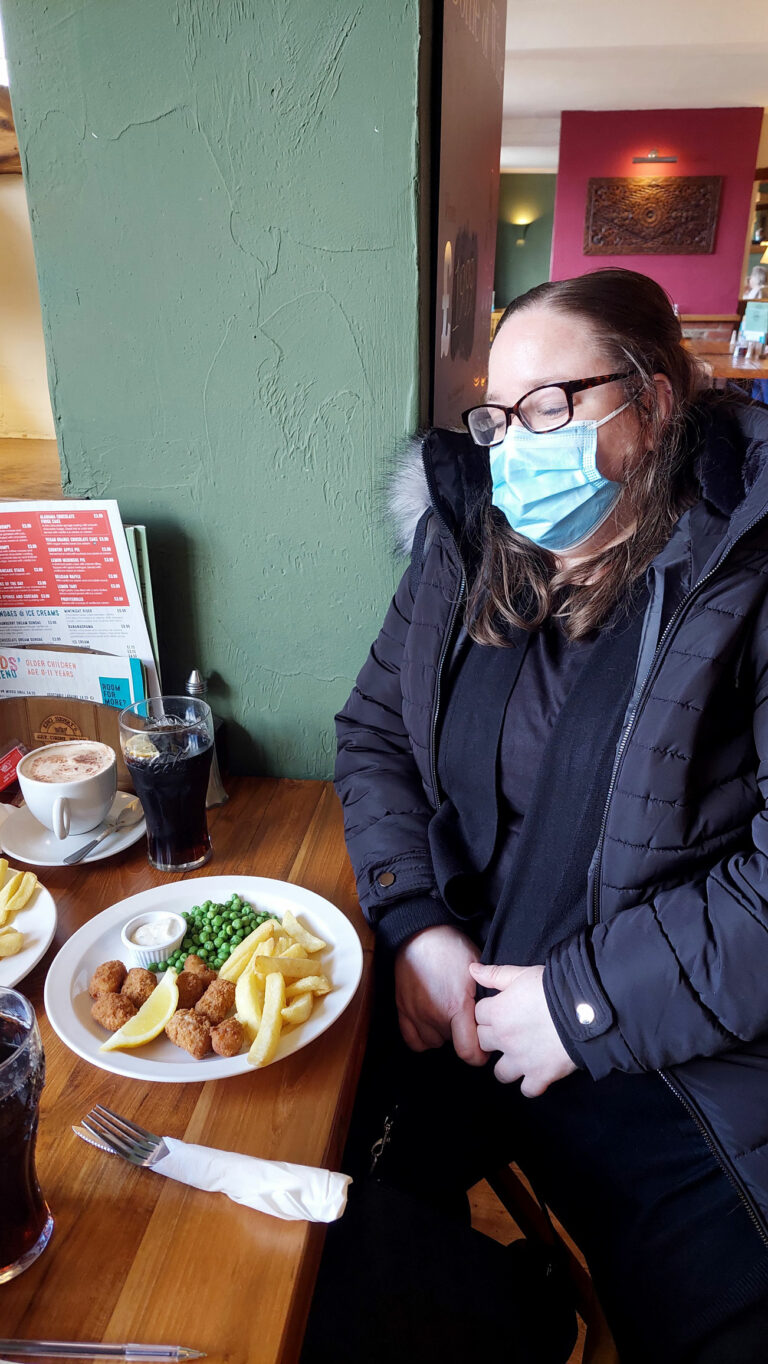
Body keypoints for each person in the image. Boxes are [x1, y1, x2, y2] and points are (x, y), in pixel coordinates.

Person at [320, 268, 768, 1364]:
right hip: (460, 994)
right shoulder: (469, 541)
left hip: (666, 1047)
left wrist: (580, 1006)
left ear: (653, 400)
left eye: (551, 406)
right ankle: (522, 1311)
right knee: (320, 1222)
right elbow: (373, 734)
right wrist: (415, 922)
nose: (514, 447)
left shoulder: (747, 570)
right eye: (497, 416)